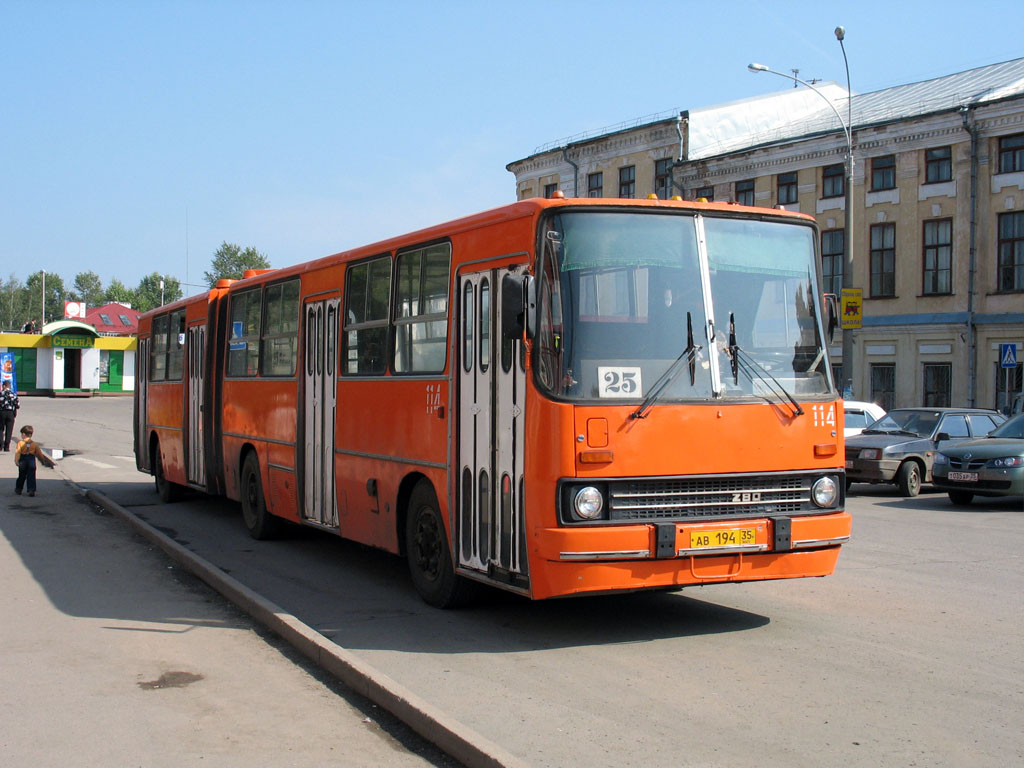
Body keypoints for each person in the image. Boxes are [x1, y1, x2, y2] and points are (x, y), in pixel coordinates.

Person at [14, 425, 55, 497]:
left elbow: (18, 452)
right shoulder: (34, 444)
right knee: (31, 475)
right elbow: (39, 453)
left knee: (22, 475)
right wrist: (42, 461)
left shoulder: (20, 443)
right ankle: (31, 490)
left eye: (21, 434)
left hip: (23, 459)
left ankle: (19, 489)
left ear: (23, 434)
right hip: (31, 459)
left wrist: (16, 460)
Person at [0, 380, 18, 451]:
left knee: (0, 429)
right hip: (10, 413)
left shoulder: (1, 394)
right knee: (9, 430)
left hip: (1, 412)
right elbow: (17, 405)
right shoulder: (13, 394)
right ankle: (7, 447)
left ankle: (0, 445)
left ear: (4, 386)